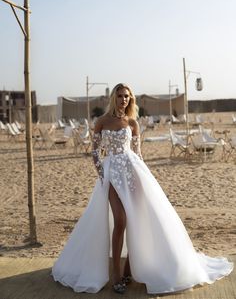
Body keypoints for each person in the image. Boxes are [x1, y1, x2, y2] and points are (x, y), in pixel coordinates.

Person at [52, 83, 233, 295]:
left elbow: (138, 154)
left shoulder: (132, 123)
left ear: (131, 99)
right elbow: (94, 152)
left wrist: (143, 177)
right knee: (120, 220)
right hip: (111, 175)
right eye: (120, 96)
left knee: (137, 219)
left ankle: (129, 270)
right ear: (114, 98)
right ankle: (117, 276)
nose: (123, 100)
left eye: (127, 96)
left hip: (133, 173)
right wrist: (102, 174)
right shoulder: (101, 121)